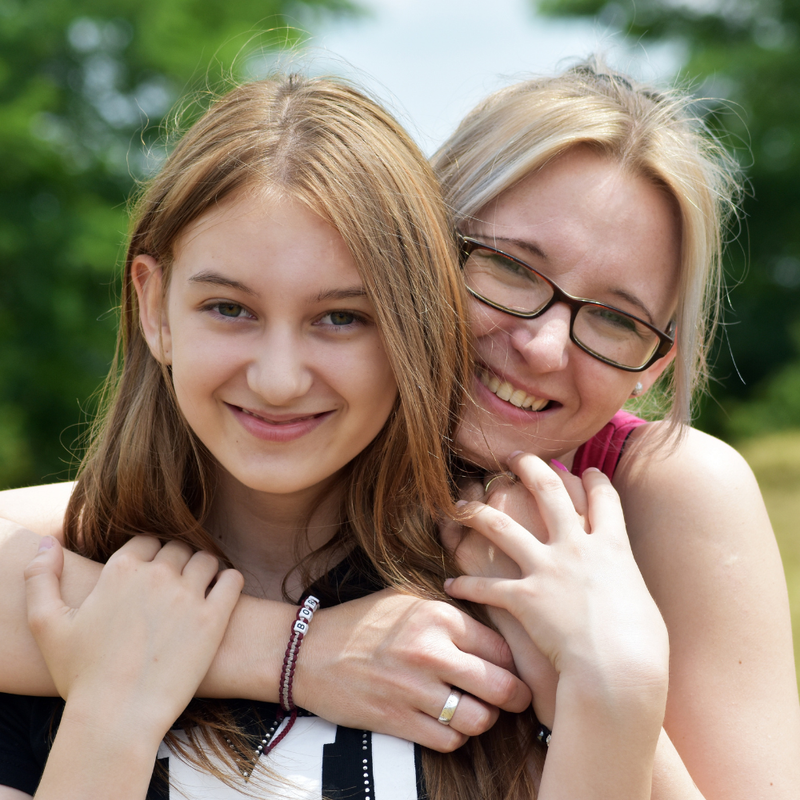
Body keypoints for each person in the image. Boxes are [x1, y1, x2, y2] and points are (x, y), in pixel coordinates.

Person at [1, 59, 799, 799]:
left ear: (654, 366)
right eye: (512, 269)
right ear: (418, 258)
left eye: (618, 320)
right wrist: (297, 654)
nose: (544, 347)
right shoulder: (259, 467)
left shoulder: (654, 485)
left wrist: (609, 684)